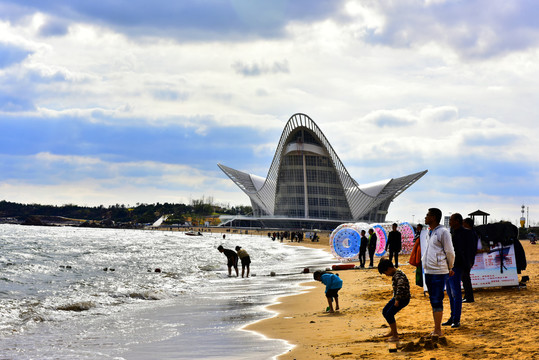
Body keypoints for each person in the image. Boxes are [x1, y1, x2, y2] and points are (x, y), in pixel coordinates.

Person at [422, 208, 455, 336]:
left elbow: (450, 252)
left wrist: (450, 267)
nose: (425, 217)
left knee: (436, 299)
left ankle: (438, 330)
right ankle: (436, 328)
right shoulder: (430, 232)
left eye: (427, 215)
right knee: (433, 299)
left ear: (434, 217)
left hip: (439, 271)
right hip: (429, 270)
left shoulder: (443, 232)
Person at [444, 213, 476, 328]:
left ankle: (456, 319)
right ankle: (452, 317)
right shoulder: (451, 233)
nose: (450, 222)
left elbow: (470, 251)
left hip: (458, 266)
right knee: (450, 293)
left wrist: (467, 266)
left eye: (452, 220)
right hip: (449, 267)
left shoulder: (467, 233)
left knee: (456, 293)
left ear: (457, 221)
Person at [378, 259, 411, 342]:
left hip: (402, 299)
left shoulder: (398, 275)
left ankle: (395, 335)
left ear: (389, 268)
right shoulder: (396, 274)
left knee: (389, 314)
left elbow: (401, 287)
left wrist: (397, 300)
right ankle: (393, 331)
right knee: (385, 311)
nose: (386, 275)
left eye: (385, 273)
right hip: (397, 297)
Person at [462, 217, 478, 302]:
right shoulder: (472, 233)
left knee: (466, 278)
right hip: (468, 259)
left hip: (467, 260)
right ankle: (467, 296)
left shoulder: (470, 233)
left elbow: (471, 249)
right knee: (465, 278)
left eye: (463, 222)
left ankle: (469, 297)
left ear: (467, 224)